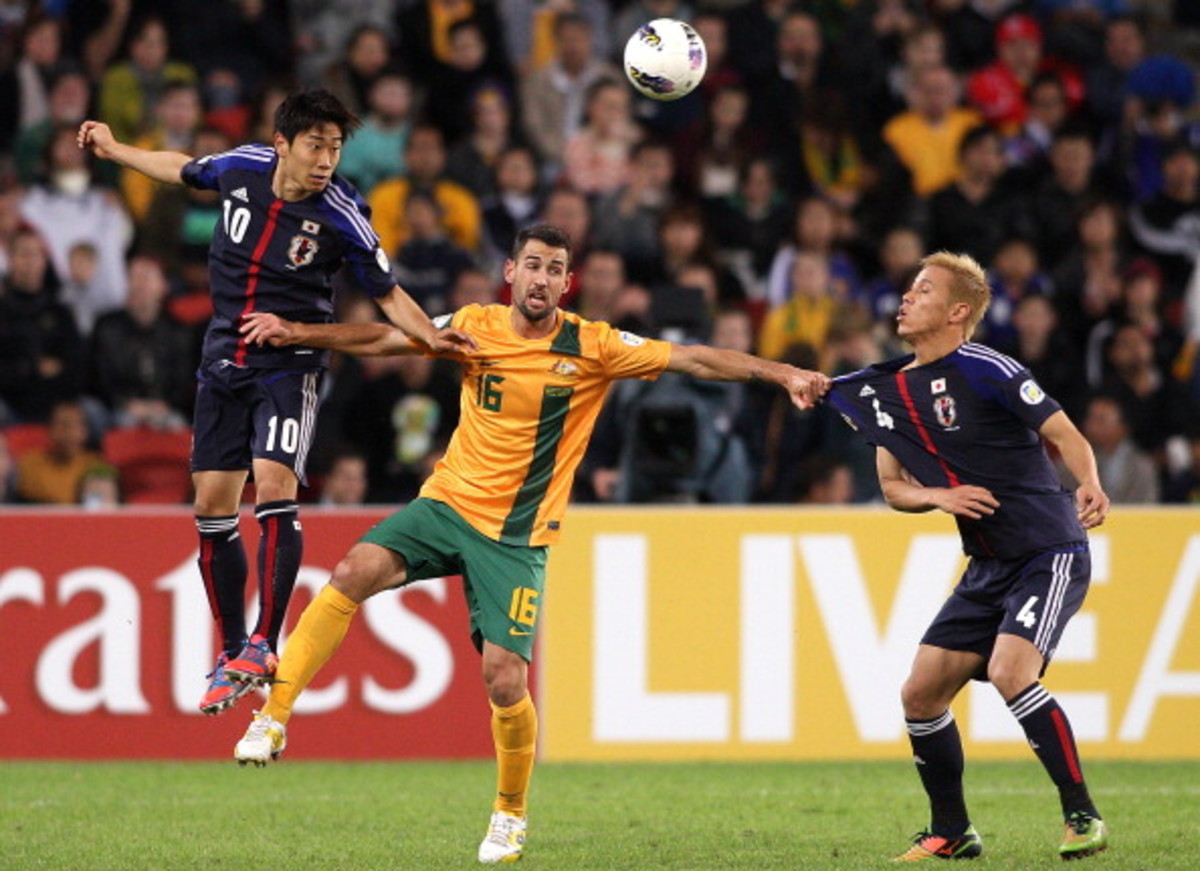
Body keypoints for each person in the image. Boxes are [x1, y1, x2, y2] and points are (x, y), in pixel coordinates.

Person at [229, 223, 829, 863]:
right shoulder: (474, 324)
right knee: (352, 571)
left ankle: (510, 815)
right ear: (510, 272)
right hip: (447, 504)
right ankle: (274, 716)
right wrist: (297, 332)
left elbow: (695, 360)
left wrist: (780, 372)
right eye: (533, 265)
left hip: (516, 536)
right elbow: (389, 337)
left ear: (567, 283)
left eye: (555, 269)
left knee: (503, 677)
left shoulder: (594, 345)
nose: (542, 278)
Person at [76, 88, 476, 717]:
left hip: (290, 365)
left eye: (335, 148)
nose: (326, 160)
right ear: (283, 143)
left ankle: (266, 640)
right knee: (212, 506)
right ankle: (234, 651)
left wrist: (430, 334)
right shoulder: (241, 167)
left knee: (272, 483)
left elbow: (387, 292)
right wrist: (114, 148)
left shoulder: (342, 212)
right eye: (316, 145)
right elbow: (182, 168)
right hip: (223, 360)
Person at [825, 251, 1111, 861]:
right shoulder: (888, 390)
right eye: (909, 288)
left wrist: (1088, 480)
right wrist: (938, 496)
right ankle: (952, 831)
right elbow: (893, 487)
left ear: (958, 312)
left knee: (1011, 671)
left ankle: (1082, 815)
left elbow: (1064, 433)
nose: (907, 298)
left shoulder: (989, 368)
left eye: (924, 290)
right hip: (987, 565)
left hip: (1047, 549)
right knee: (920, 695)